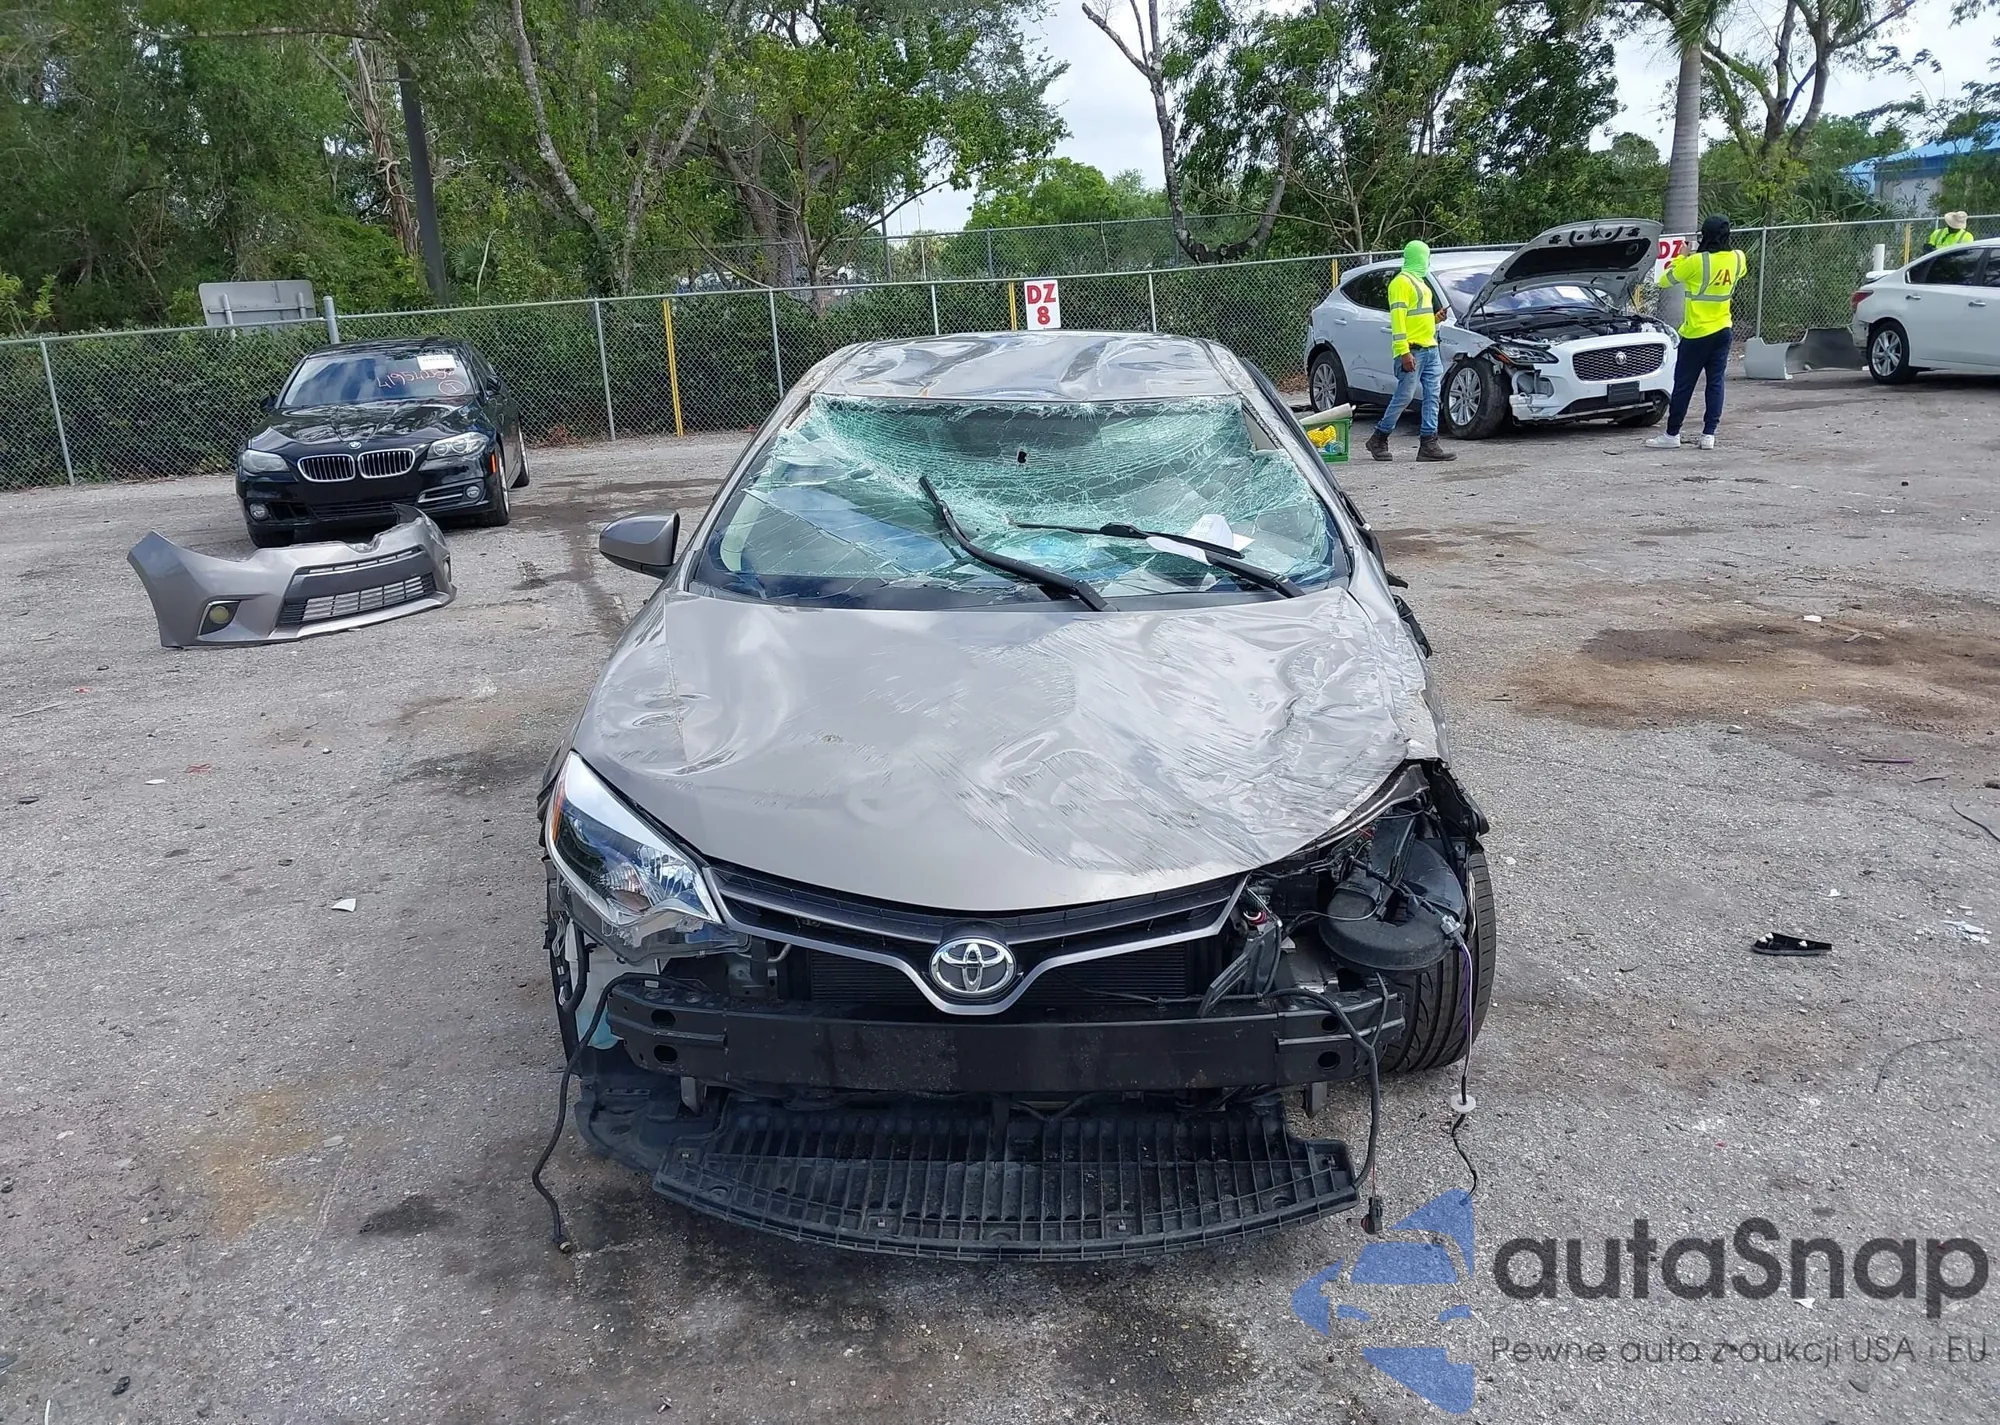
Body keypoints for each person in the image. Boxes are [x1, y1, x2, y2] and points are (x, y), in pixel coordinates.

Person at [1646, 214, 1745, 451]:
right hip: (1723, 329)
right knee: (1715, 383)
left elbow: (1664, 280)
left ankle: (1672, 434)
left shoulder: (1696, 262)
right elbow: (1734, 273)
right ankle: (1709, 434)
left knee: (1684, 384)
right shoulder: (1738, 258)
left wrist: (1681, 256)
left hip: (1696, 333)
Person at [1363, 240, 1455, 462]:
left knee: (1432, 396)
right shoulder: (1401, 283)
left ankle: (1429, 444)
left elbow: (1416, 318)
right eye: (1426, 256)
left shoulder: (1420, 283)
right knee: (1404, 396)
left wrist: (1435, 319)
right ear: (1419, 257)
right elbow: (1398, 321)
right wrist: (1404, 352)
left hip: (1429, 348)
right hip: (1413, 351)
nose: (1428, 261)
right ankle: (1379, 437)